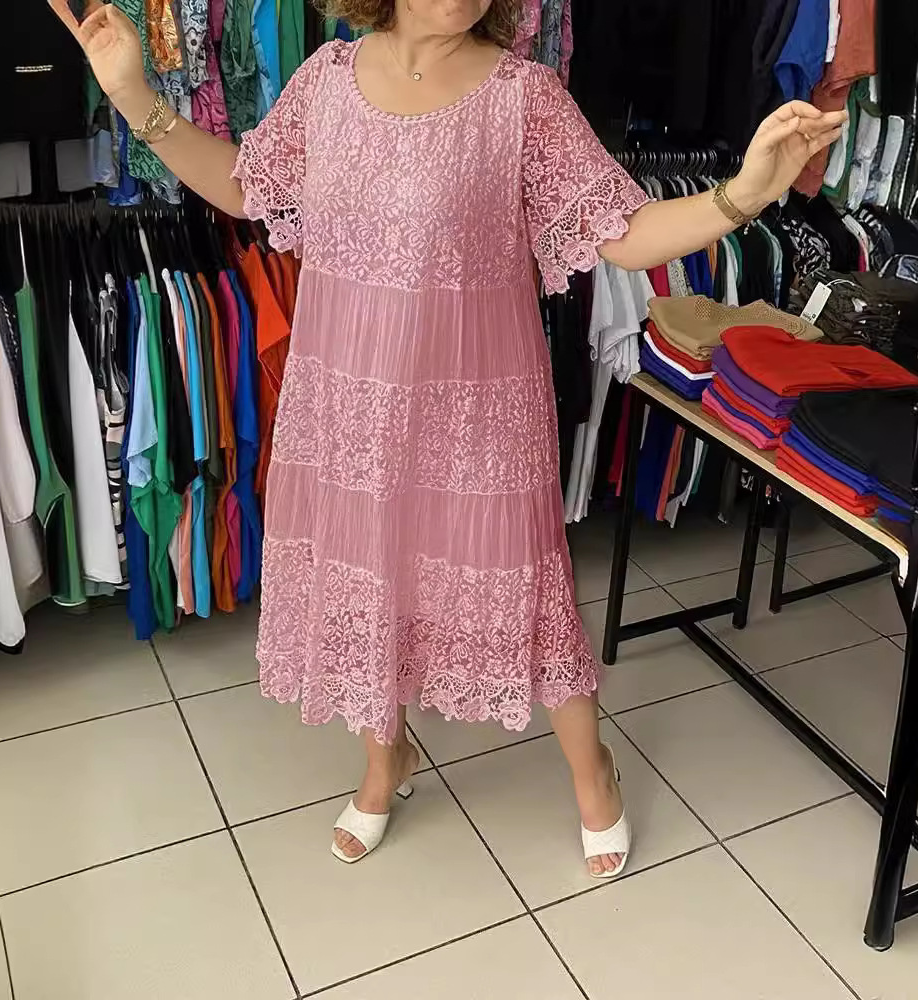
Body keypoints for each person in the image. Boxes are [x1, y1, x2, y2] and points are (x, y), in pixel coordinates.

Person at [50, 0, 844, 878]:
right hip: (348, 408)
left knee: (527, 584)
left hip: (479, 416)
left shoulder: (523, 97)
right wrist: (134, 96)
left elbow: (623, 234)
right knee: (370, 574)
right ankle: (385, 758)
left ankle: (592, 768)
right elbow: (248, 187)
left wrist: (744, 194)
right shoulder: (325, 83)